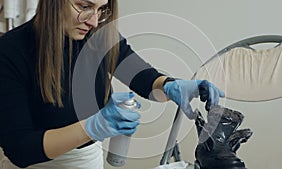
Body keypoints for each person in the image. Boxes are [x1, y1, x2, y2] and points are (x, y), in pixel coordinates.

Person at [0, 0, 224, 168]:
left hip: (88, 161)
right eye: (84, 6)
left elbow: (142, 77)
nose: (93, 21)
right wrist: (91, 127)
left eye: (100, 9)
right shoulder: (10, 52)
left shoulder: (98, 35)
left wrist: (170, 86)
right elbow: (21, 149)